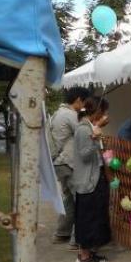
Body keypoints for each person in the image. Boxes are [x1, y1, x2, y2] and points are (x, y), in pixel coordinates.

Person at [72, 96, 112, 262]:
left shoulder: (90, 127)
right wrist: (95, 138)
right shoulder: (83, 129)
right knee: (88, 218)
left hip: (94, 178)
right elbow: (84, 154)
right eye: (103, 111)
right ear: (97, 112)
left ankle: (87, 252)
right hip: (88, 181)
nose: (105, 115)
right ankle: (85, 256)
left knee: (93, 216)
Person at [49, 85, 90, 247]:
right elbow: (84, 132)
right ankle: (77, 239)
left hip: (60, 163)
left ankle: (62, 233)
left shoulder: (58, 113)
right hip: (67, 162)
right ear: (79, 99)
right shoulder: (70, 115)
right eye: (85, 102)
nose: (85, 105)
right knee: (78, 200)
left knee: (69, 201)